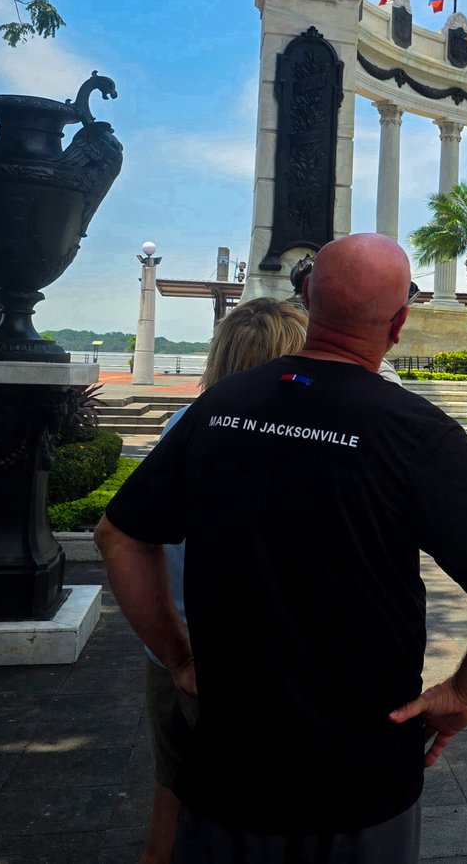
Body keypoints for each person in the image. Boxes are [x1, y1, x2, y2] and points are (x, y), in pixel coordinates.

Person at [96, 233, 467, 863]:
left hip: (229, 762)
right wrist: (466, 692)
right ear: (399, 324)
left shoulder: (222, 406)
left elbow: (118, 534)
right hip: (360, 772)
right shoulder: (416, 432)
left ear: (308, 300)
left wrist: (177, 656)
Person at [136, 296, 309, 864]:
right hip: (263, 667)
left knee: (172, 804)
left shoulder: (182, 426)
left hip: (178, 649)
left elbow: (131, 538)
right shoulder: (301, 439)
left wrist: (170, 647)